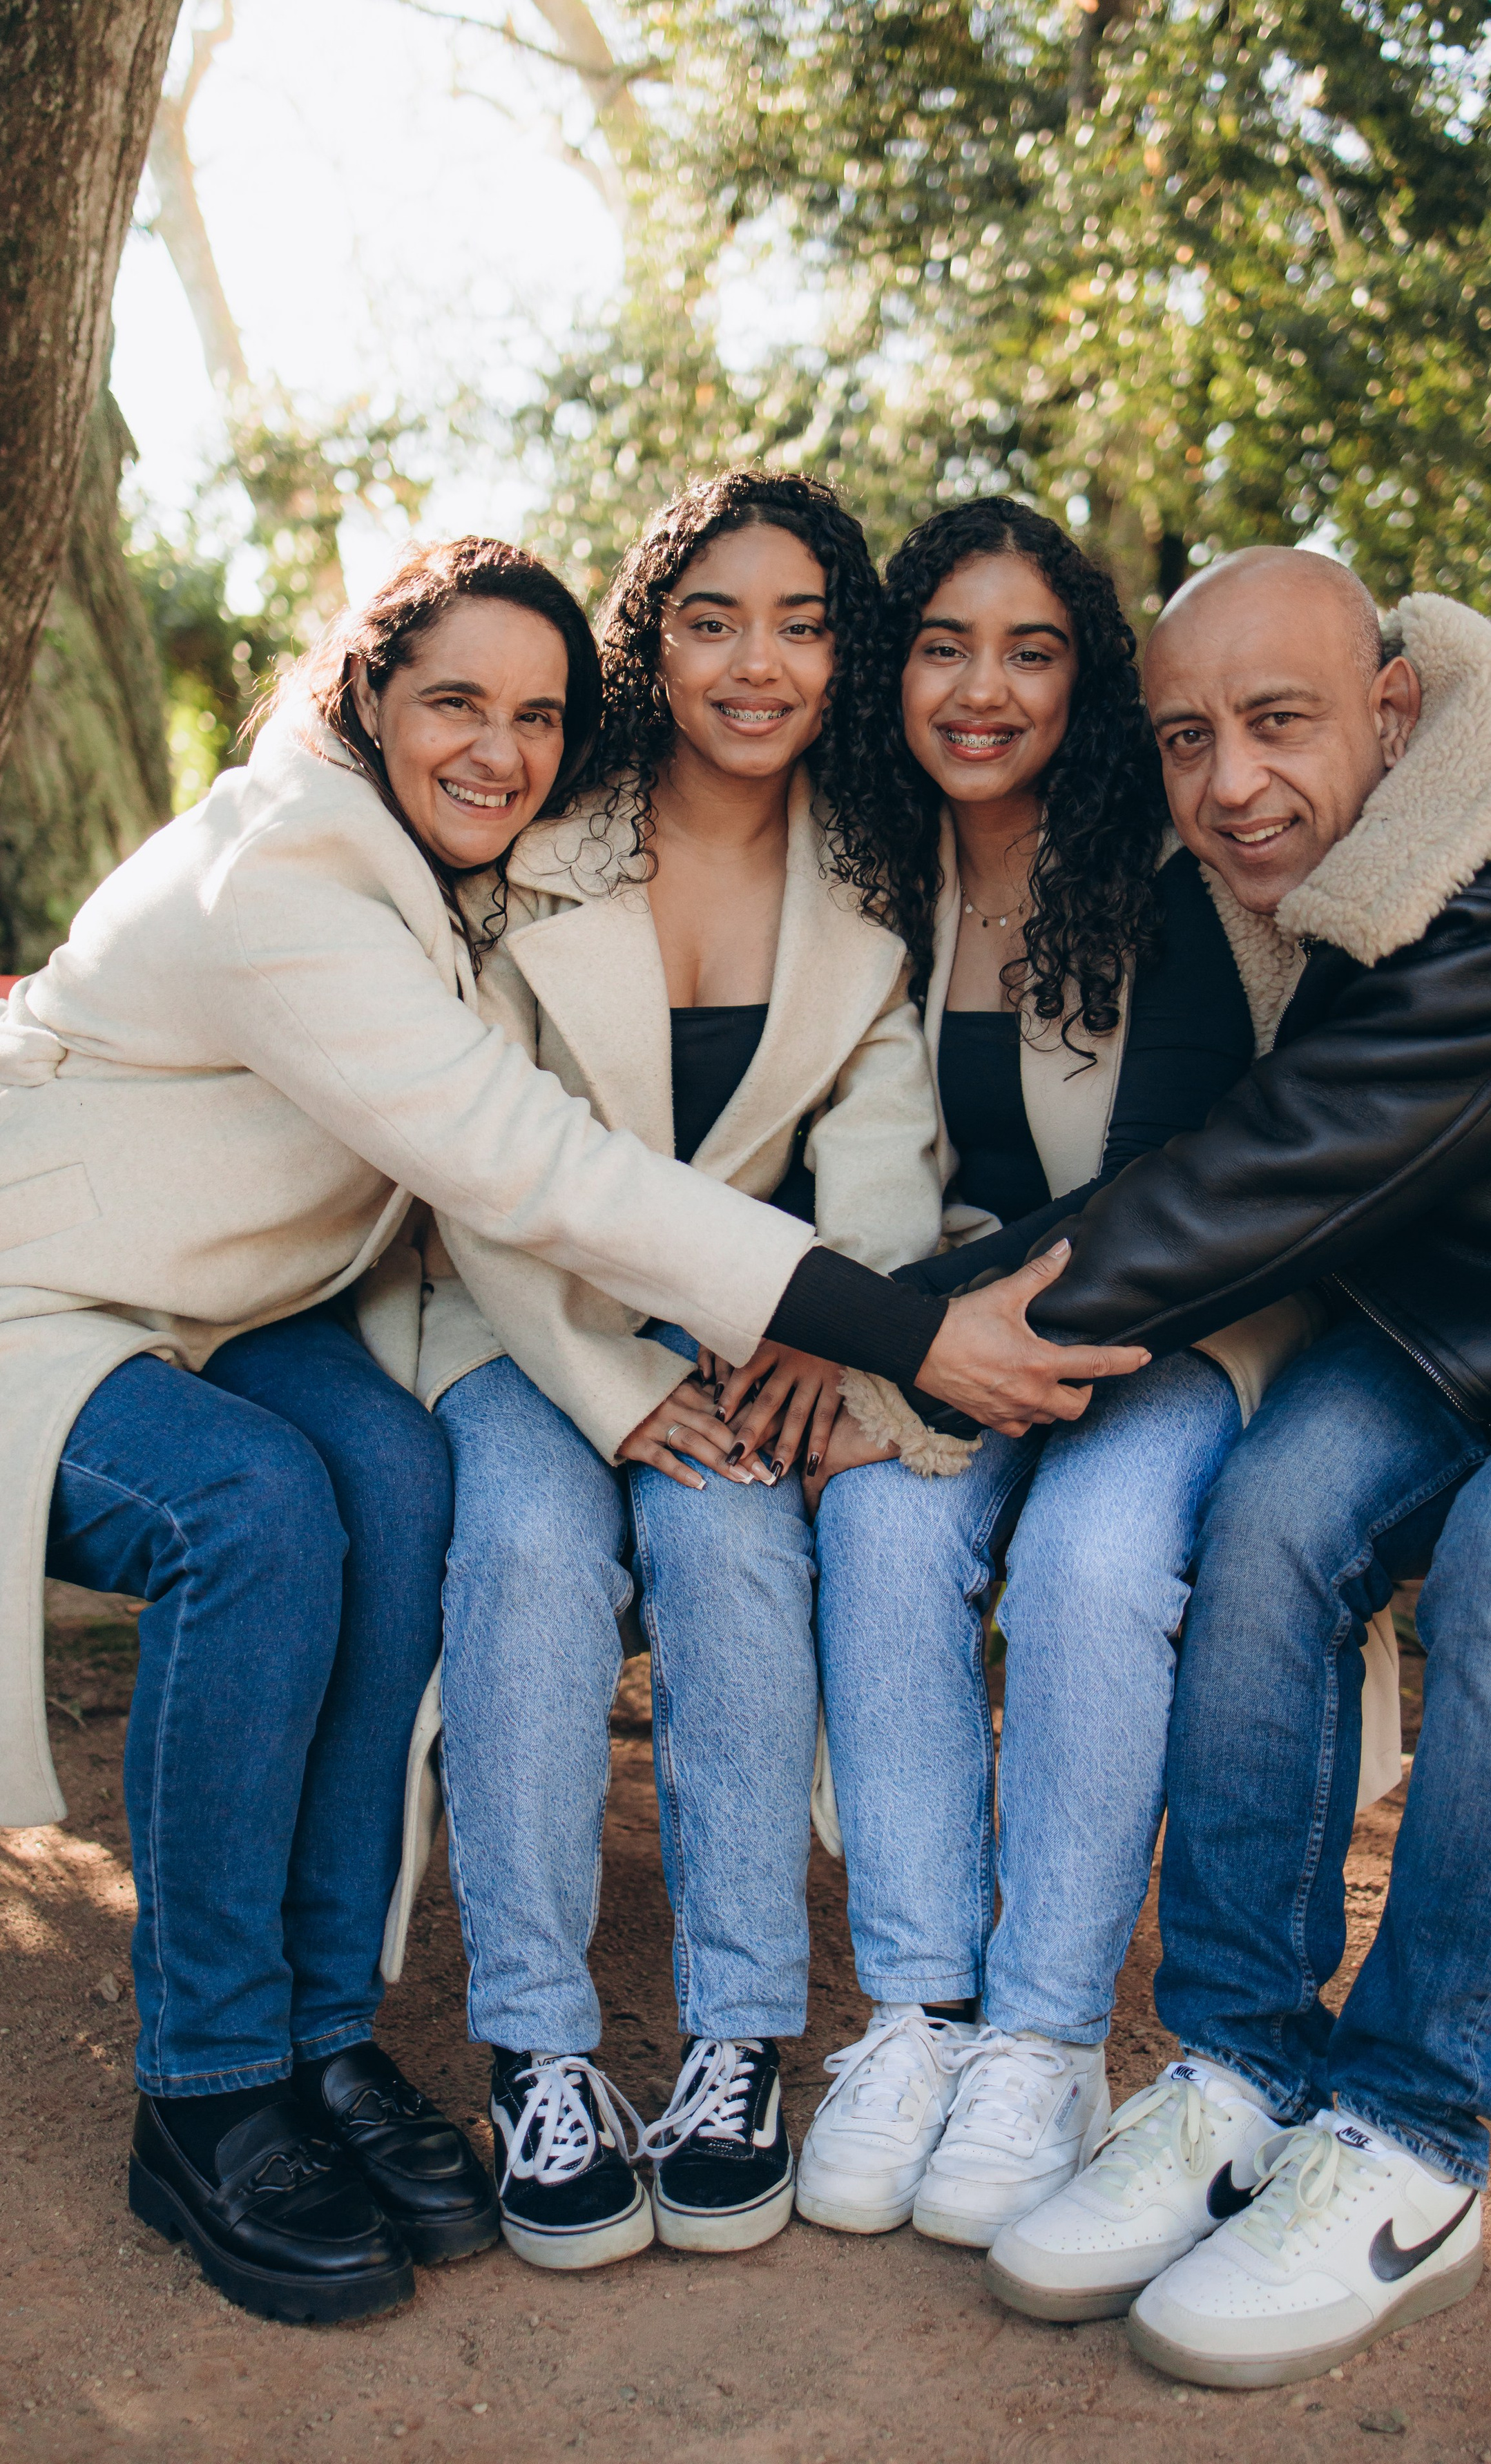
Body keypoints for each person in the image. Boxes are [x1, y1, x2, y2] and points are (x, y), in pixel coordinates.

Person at [0, 536, 1124, 2328]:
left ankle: (324, 2038)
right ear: (366, 693)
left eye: (538, 716)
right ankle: (208, 2089)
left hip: (224, 1305)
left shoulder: (452, 862)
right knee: (255, 1510)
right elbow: (522, 1162)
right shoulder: (289, 861)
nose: (497, 748)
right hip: (19, 1293)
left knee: (394, 1479)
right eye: (454, 703)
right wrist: (905, 1333)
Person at [971, 547, 1491, 2387]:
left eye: (1277, 723)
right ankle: (1238, 2070)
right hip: (1457, 1313)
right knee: (1272, 1514)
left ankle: (1407, 2141)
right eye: (1186, 739)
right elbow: (1207, 1165)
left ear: (1389, 710)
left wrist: (893, 1346)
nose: (1231, 785)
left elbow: (1241, 1187)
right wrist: (892, 1309)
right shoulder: (1290, 876)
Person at [420, 473, 1117, 2271]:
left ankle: (736, 2043)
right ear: (650, 644)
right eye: (713, 620)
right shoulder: (537, 842)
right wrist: (609, 1391)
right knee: (529, 1550)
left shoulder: (866, 871)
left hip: (733, 1316)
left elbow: (882, 1132)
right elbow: (482, 1166)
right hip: (520, 1318)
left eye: (803, 625)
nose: (759, 663)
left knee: (735, 1545)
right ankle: (538, 2051)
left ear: (841, 654)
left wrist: (836, 1317)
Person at [790, 503, 1398, 2248]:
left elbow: (1159, 1196)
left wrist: (871, 1335)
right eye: (943, 646)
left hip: (1181, 1314)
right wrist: (883, 1329)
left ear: (1087, 687)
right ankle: (922, 2013)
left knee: (1092, 1555)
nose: (981, 689)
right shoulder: (865, 868)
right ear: (892, 672)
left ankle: (1046, 2039)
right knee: (880, 1530)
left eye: (1031, 651)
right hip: (948, 1308)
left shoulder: (1165, 875)